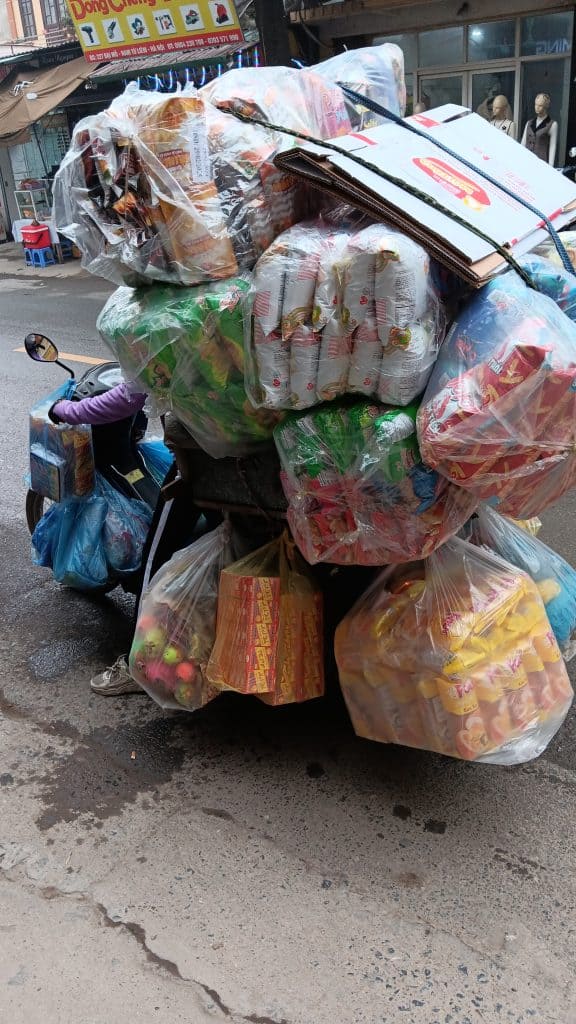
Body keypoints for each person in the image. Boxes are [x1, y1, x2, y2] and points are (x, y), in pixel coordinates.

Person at [51, 383, 207, 696]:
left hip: (202, 461)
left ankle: (140, 665)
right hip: (241, 455)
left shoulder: (171, 337)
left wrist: (65, 410)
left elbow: (129, 395)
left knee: (155, 558)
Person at [521, 93, 558, 166]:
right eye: (536, 104)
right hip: (526, 162)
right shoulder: (529, 123)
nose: (537, 107)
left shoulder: (552, 124)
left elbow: (552, 147)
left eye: (540, 105)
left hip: (541, 164)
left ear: (546, 106)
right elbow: (523, 143)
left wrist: (550, 167)